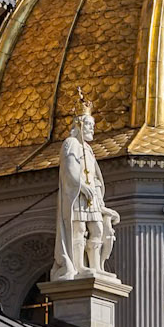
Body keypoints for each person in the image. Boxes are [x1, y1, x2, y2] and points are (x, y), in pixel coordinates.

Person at [52, 97, 118, 280]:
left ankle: (96, 266)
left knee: (97, 229)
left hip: (91, 198)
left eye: (92, 125)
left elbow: (96, 176)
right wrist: (81, 186)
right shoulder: (70, 144)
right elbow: (70, 171)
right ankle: (80, 265)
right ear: (79, 124)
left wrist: (97, 193)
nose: (92, 129)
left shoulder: (88, 149)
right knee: (79, 228)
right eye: (89, 125)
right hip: (77, 196)